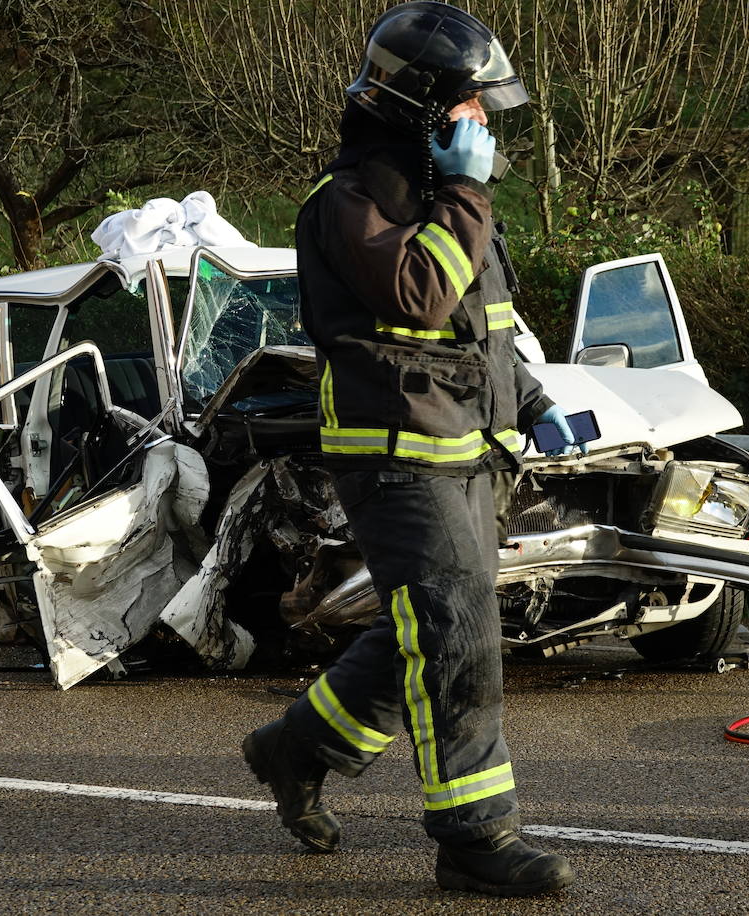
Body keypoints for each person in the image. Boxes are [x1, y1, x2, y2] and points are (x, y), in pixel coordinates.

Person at [241, 2, 579, 897]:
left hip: (467, 448)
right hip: (396, 455)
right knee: (457, 631)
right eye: (468, 105)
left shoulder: (442, 197)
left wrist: (534, 401)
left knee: (427, 630)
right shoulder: (352, 199)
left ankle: (295, 748)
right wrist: (468, 193)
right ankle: (475, 837)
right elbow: (421, 295)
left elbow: (478, 328)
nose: (482, 123)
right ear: (417, 104)